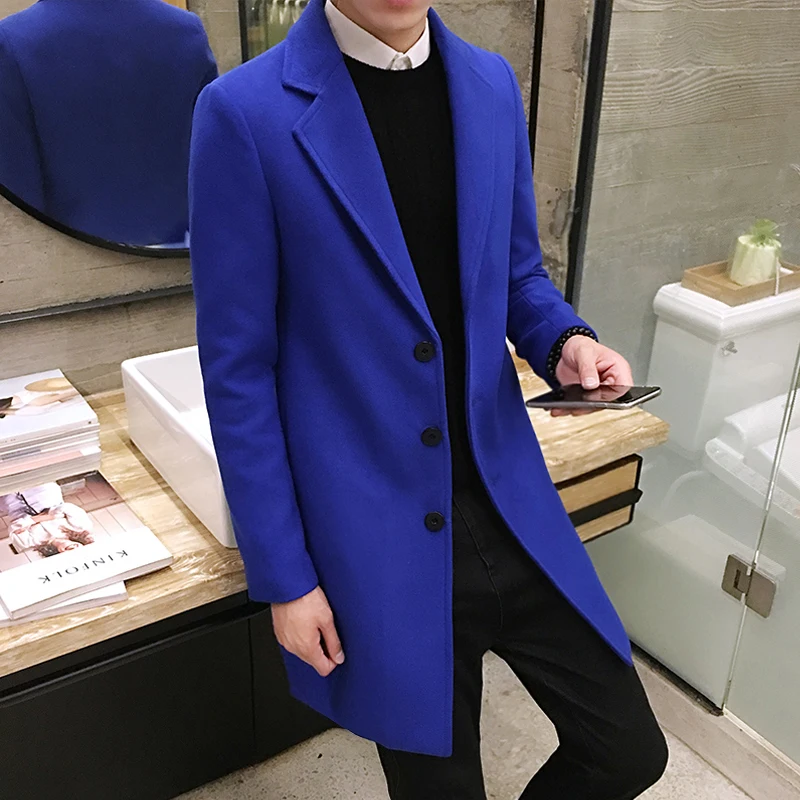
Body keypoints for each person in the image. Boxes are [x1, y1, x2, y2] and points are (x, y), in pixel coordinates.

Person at [188, 1, 669, 797]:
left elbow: (516, 274)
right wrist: (286, 578)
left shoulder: (489, 83)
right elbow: (239, 372)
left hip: (508, 502)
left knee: (627, 750)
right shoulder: (242, 112)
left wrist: (563, 341)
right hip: (372, 535)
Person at [0, 0, 218, 246]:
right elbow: (213, 162)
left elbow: (19, 207)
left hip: (76, 260)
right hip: (183, 256)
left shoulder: (12, 42)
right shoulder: (187, 30)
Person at [0, 483, 94, 556]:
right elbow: (67, 507)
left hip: (9, 500)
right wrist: (31, 521)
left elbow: (14, 527)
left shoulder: (29, 544)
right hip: (42, 489)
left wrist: (48, 516)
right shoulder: (82, 527)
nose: (75, 548)